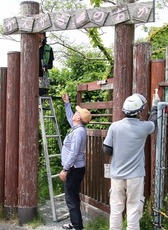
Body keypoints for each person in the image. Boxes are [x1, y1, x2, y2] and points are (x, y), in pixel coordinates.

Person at [103, 93, 159, 230]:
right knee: (133, 208)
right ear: (139, 112)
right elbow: (154, 122)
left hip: (117, 174)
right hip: (135, 175)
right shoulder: (144, 127)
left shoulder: (114, 127)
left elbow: (106, 149)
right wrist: (155, 105)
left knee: (116, 208)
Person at [59, 93, 92, 230]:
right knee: (72, 197)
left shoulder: (78, 132)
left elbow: (73, 153)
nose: (74, 114)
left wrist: (65, 170)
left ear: (78, 118)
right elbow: (69, 117)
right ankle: (75, 223)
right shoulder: (77, 128)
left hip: (73, 169)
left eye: (76, 112)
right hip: (74, 168)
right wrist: (67, 103)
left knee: (71, 199)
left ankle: (77, 227)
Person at [39, 32, 54, 96]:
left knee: (41, 97)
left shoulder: (49, 49)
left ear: (44, 36)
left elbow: (51, 65)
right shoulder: (29, 47)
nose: (38, 36)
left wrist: (46, 66)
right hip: (30, 77)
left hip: (43, 77)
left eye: (40, 34)